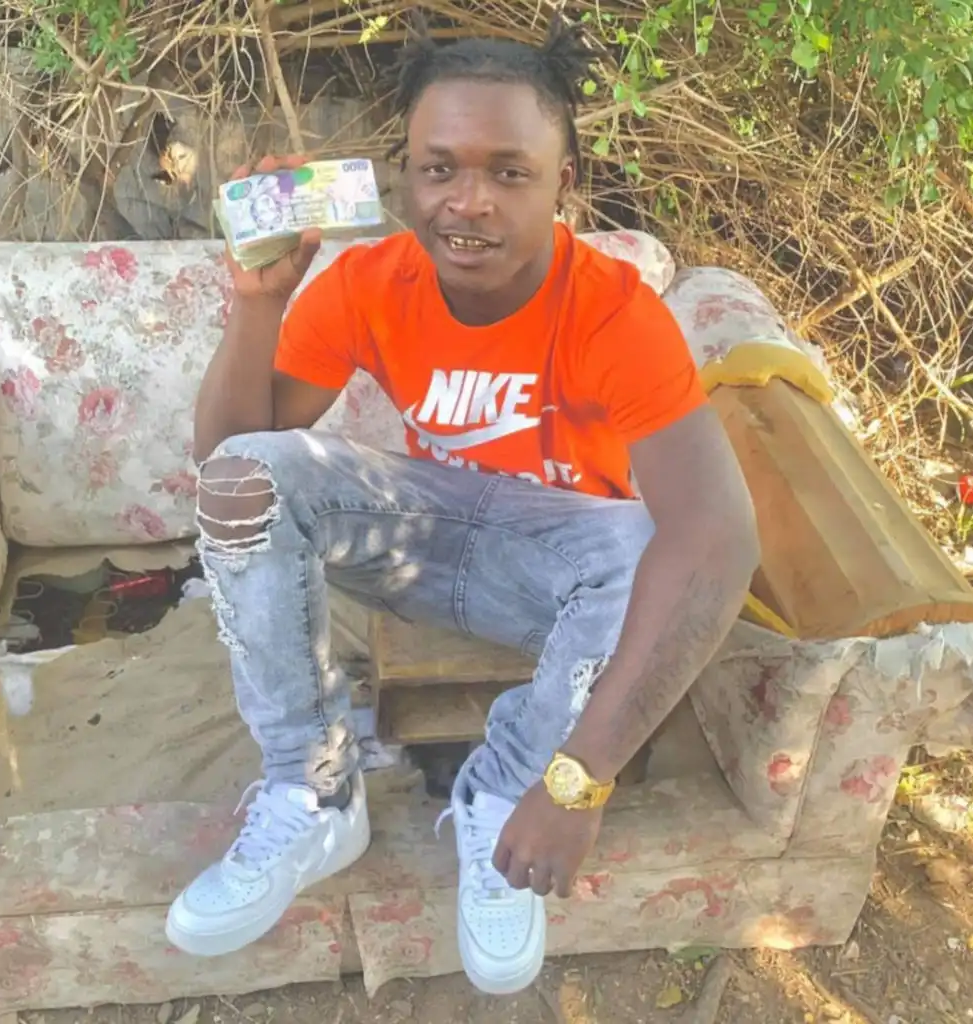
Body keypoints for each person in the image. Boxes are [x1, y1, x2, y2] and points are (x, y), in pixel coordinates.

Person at [166, 20, 759, 996]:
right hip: (423, 542)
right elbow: (229, 462)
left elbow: (719, 539)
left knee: (658, 540)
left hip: (561, 580)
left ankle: (507, 788)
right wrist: (257, 301)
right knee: (247, 478)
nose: (467, 202)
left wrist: (579, 780)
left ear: (563, 184)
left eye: (508, 173)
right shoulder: (368, 284)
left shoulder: (614, 311)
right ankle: (313, 793)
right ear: (404, 175)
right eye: (438, 168)